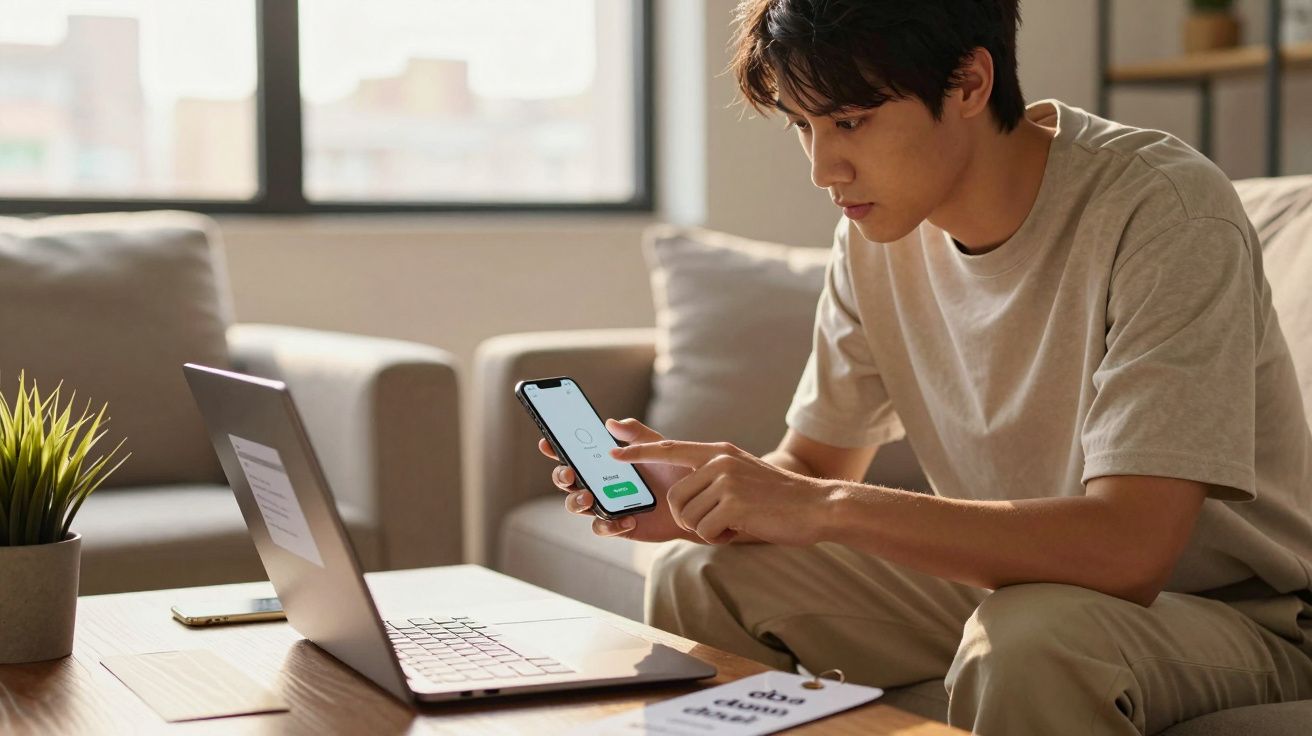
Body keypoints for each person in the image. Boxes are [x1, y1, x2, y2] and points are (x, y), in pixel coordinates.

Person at [537, 1, 1312, 733]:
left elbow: (1130, 551)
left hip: (1234, 612)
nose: (823, 169)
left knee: (1034, 636)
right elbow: (808, 465)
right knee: (699, 573)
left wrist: (824, 505)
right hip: (1014, 585)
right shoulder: (876, 239)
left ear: (970, 82)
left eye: (850, 121)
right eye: (802, 126)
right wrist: (711, 501)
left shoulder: (1162, 211)